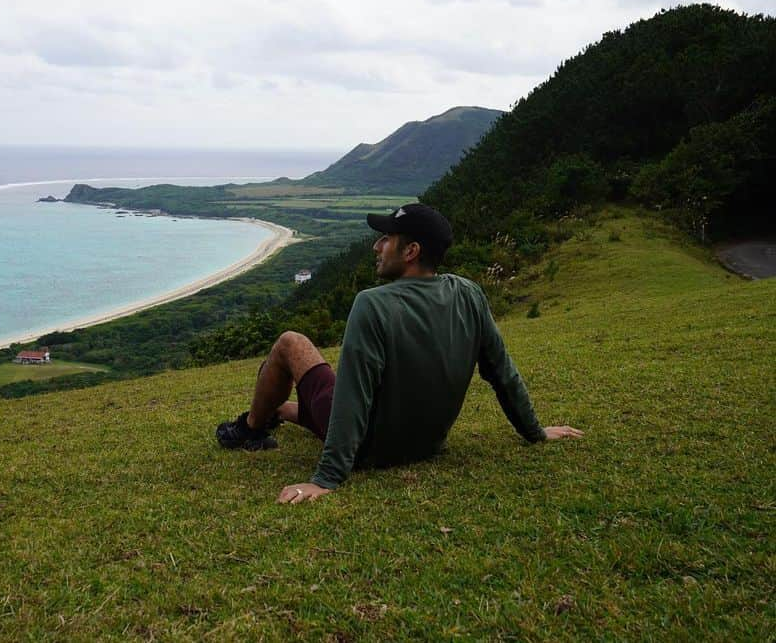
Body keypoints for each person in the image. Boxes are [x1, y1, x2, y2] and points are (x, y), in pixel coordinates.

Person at [216, 202, 583, 504]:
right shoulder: (469, 294)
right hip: (424, 443)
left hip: (365, 447)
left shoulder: (371, 304)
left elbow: (353, 396)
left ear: (411, 251)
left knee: (290, 343)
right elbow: (503, 373)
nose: (376, 247)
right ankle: (275, 411)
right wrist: (534, 432)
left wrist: (326, 479)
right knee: (309, 402)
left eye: (386, 239)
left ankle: (249, 430)